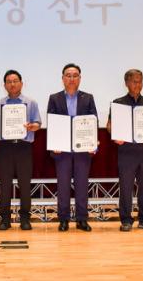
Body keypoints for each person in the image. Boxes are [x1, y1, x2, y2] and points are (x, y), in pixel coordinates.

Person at [108, 69, 143, 232]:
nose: (138, 84)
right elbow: (109, 125)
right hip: (127, 152)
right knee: (125, 188)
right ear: (126, 83)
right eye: (134, 81)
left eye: (140, 81)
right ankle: (126, 220)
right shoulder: (118, 103)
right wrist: (114, 135)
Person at [47, 63, 97, 232]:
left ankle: (82, 219)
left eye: (75, 75)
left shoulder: (88, 97)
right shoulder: (54, 98)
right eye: (68, 75)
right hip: (62, 150)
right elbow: (52, 123)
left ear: (80, 78)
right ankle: (63, 219)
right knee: (63, 186)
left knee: (82, 185)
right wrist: (54, 144)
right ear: (62, 78)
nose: (71, 78)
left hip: (82, 149)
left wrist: (93, 144)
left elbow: (93, 121)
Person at [0, 70, 41, 231]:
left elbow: (37, 123)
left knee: (25, 185)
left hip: (24, 147)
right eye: (9, 81)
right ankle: (5, 219)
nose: (12, 84)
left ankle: (25, 219)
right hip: (5, 148)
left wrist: (33, 126)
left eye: (15, 81)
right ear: (4, 85)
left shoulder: (31, 102)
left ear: (22, 83)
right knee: (5, 185)